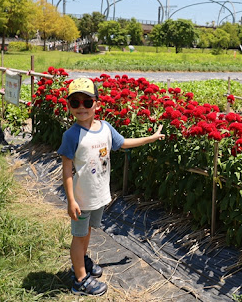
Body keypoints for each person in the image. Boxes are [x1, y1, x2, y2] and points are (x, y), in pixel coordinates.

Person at [57, 78, 165, 296]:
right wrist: (71, 200)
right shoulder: (71, 135)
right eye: (75, 103)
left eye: (87, 103)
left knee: (86, 232)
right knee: (79, 237)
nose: (81, 108)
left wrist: (150, 138)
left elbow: (122, 143)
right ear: (68, 106)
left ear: (97, 103)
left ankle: (83, 262)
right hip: (81, 198)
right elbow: (67, 170)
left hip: (97, 195)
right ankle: (80, 280)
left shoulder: (105, 128)